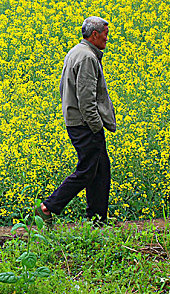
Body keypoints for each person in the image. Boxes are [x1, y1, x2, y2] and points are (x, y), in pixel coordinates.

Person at [36, 16, 116, 225]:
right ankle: (47, 207)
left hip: (78, 122)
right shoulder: (88, 58)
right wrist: (97, 126)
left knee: (100, 171)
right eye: (105, 34)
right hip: (85, 124)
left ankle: (97, 220)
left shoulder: (77, 51)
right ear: (95, 35)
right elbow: (86, 100)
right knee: (87, 170)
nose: (108, 39)